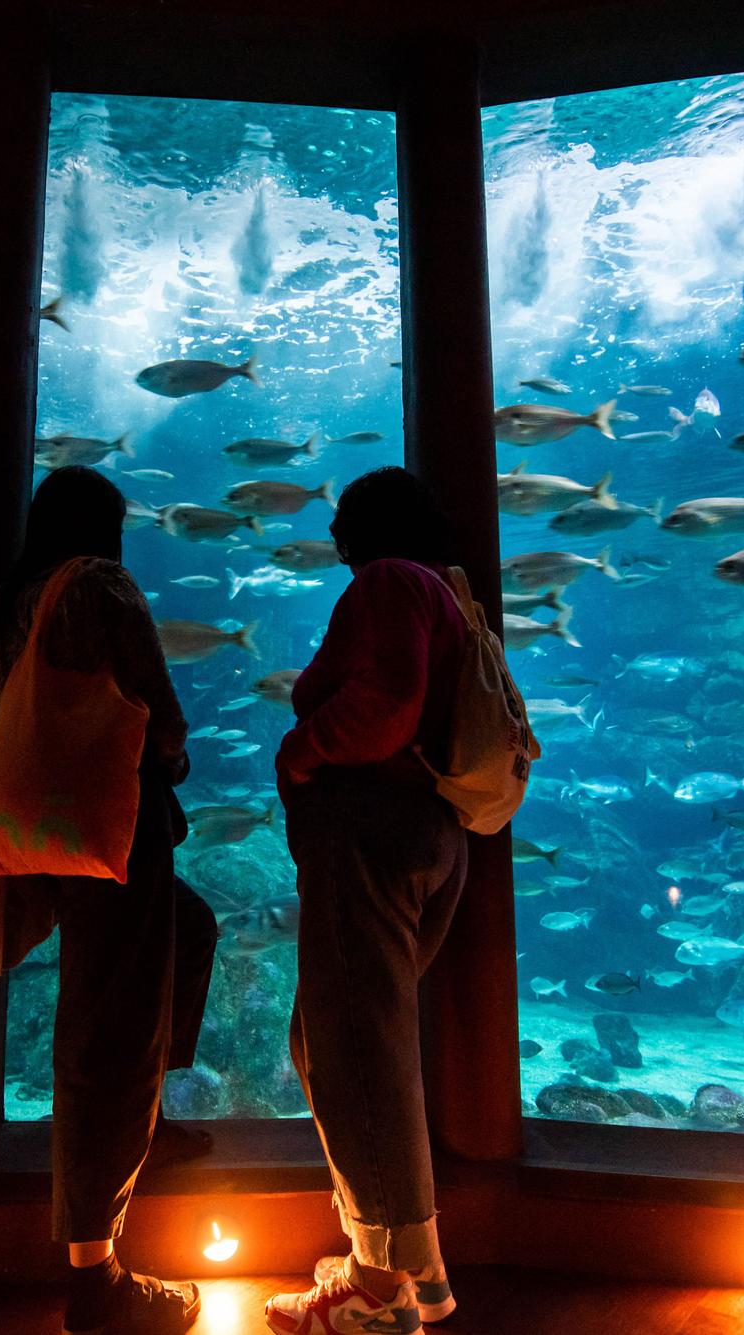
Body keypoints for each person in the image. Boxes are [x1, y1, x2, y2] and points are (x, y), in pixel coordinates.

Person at [0, 465, 217, 1335]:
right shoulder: (98, 586)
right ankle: (95, 1276)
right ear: (102, 531)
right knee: (109, 1033)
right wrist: (169, 765)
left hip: (31, 837)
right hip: (112, 830)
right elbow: (162, 718)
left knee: (192, 926)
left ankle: (149, 1117)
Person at [264, 467, 470, 1335]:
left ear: (368, 526)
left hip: (371, 832)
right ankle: (406, 1268)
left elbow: (385, 707)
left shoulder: (391, 583)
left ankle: (379, 1296)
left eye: (345, 516)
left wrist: (300, 749)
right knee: (335, 1038)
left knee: (357, 1052)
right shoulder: (446, 594)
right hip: (420, 832)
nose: (337, 532)